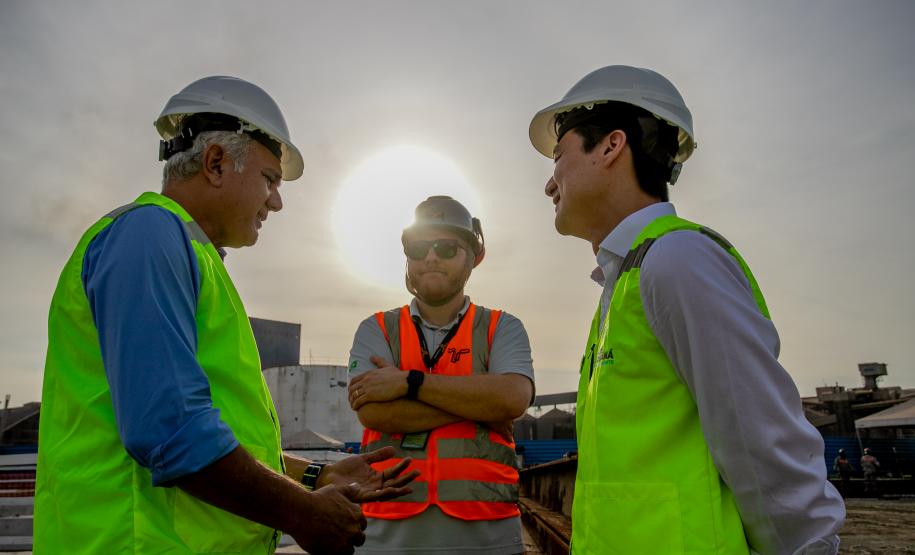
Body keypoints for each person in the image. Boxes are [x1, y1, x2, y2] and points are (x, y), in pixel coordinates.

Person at [35, 76, 417, 555]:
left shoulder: (189, 255)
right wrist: (303, 512)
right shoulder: (149, 236)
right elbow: (171, 432)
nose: (276, 201)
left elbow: (219, 436)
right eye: (270, 179)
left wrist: (316, 475)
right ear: (216, 162)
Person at [528, 65, 845, 554]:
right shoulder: (627, 281)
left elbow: (761, 441)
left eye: (559, 154)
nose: (550, 184)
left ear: (611, 146)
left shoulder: (677, 261)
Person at [346, 196, 535, 555]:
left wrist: (408, 383)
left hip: (488, 533)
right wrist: (482, 406)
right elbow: (373, 412)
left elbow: (512, 398)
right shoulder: (377, 328)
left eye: (447, 248)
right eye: (419, 248)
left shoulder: (502, 327)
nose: (431, 257)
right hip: (386, 533)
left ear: (473, 257)